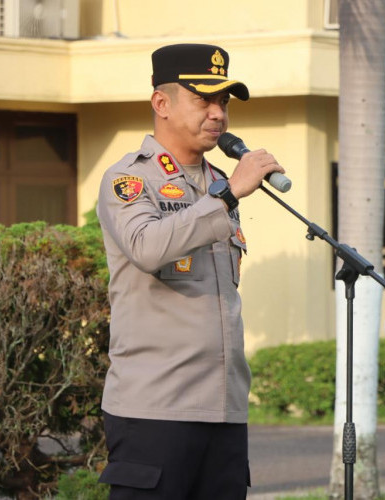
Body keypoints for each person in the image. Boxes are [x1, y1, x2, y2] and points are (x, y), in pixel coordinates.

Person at [96, 43, 285, 499]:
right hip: (155, 411)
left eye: (223, 102)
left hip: (223, 411)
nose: (218, 113)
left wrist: (225, 193)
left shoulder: (221, 183)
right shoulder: (131, 180)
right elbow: (147, 247)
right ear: (161, 103)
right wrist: (227, 197)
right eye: (204, 99)